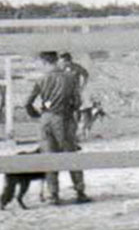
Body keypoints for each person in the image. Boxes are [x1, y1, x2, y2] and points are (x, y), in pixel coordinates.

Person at [25, 51, 90, 205]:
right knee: (71, 155)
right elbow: (77, 102)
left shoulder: (41, 79)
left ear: (44, 62)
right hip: (64, 118)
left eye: (39, 62)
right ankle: (80, 191)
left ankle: (53, 195)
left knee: (49, 156)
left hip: (46, 119)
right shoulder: (70, 78)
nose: (38, 65)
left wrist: (38, 115)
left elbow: (27, 103)